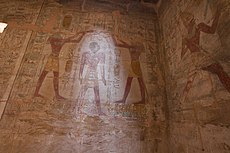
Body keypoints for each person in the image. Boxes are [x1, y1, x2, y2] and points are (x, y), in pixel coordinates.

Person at [180, 9, 230, 103]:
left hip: (194, 59)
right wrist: (217, 14)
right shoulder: (196, 29)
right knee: (219, 70)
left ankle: (181, 101)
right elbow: (212, 30)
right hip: (199, 57)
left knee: (190, 81)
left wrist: (186, 44)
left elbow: (182, 54)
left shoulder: (188, 35)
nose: (189, 24)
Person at [34, 31, 87, 99]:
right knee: (51, 76)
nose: (62, 36)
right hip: (54, 59)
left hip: (52, 58)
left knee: (46, 75)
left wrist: (81, 34)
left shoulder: (53, 40)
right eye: (60, 36)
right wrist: (81, 34)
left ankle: (41, 92)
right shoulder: (61, 41)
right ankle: (55, 94)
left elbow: (76, 40)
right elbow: (76, 40)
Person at [113, 36, 146, 104]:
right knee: (129, 82)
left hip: (136, 65)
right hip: (132, 64)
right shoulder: (130, 46)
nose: (131, 40)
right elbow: (117, 44)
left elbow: (133, 47)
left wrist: (121, 40)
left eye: (132, 39)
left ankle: (143, 99)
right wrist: (114, 38)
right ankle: (124, 99)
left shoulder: (138, 45)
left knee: (140, 82)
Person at [76, 41, 106, 115]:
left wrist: (103, 77)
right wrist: (80, 76)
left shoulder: (100, 55)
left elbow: (102, 66)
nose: (98, 47)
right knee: (83, 91)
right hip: (88, 74)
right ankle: (78, 109)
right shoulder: (86, 54)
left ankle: (99, 111)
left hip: (94, 75)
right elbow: (81, 65)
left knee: (97, 92)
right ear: (92, 47)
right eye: (97, 46)